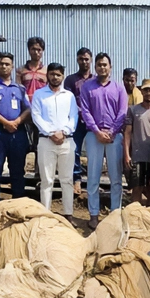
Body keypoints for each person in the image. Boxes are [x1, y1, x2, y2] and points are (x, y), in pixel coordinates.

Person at [80, 53, 128, 230]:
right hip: (94, 136)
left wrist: (113, 131)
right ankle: (94, 215)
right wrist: (97, 131)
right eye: (99, 65)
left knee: (116, 178)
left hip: (115, 137)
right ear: (95, 67)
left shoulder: (119, 88)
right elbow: (85, 111)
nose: (102, 67)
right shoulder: (87, 87)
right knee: (93, 177)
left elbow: (123, 112)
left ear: (110, 66)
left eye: (105, 65)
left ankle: (115, 215)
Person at [30, 63, 79, 225]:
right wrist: (52, 133)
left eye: (58, 74)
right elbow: (36, 116)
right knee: (47, 180)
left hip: (67, 141)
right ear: (47, 76)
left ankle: (68, 215)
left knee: (67, 180)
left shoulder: (69, 96)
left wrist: (63, 132)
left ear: (62, 76)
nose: (55, 77)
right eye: (52, 74)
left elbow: (74, 117)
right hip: (46, 141)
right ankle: (45, 214)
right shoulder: (39, 94)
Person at [0, 52, 31, 205]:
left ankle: (18, 203)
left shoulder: (20, 88)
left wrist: (16, 121)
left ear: (12, 66)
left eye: (7, 64)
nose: (4, 66)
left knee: (17, 170)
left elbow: (28, 109)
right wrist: (5, 122)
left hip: (17, 132)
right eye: (1, 63)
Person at [123, 79, 150, 206]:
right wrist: (127, 154)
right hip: (137, 157)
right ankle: (134, 216)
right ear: (141, 91)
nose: (148, 93)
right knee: (137, 188)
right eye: (146, 90)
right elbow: (127, 133)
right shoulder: (133, 110)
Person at [64, 47, 94, 195]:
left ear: (91, 60)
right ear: (77, 60)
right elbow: (68, 100)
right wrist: (82, 111)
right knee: (74, 151)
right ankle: (76, 179)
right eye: (81, 59)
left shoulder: (96, 80)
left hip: (93, 122)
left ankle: (93, 180)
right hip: (76, 121)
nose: (84, 62)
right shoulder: (70, 80)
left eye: (86, 59)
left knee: (93, 152)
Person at [16, 36, 48, 101]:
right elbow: (18, 89)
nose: (36, 52)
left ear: (42, 51)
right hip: (26, 105)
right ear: (29, 50)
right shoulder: (21, 70)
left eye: (39, 50)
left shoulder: (46, 71)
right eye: (33, 49)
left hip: (42, 103)